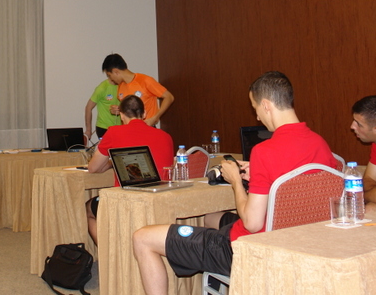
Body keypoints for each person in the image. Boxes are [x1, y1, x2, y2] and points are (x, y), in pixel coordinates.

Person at [132, 71, 335, 294]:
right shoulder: (321, 145)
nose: (257, 117)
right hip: (295, 244)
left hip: (248, 248)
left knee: (143, 238)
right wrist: (258, 173)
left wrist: (236, 181)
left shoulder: (265, 151)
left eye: (255, 108)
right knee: (210, 217)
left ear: (266, 105)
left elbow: (252, 223)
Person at [85, 95, 174, 244]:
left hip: (127, 202)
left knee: (88, 208)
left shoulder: (114, 132)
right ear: (144, 114)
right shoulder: (166, 136)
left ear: (121, 115)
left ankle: (109, 253)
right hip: (160, 201)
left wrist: (111, 162)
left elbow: (93, 167)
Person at [102, 53, 174, 127]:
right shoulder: (120, 85)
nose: (111, 79)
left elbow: (169, 97)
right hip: (128, 129)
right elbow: (130, 109)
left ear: (116, 72)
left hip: (146, 128)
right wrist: (118, 110)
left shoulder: (145, 80)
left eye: (109, 75)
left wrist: (155, 117)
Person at [84, 78, 120, 143]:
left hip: (120, 128)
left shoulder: (123, 86)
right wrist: (88, 130)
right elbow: (88, 108)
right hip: (104, 128)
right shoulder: (102, 88)